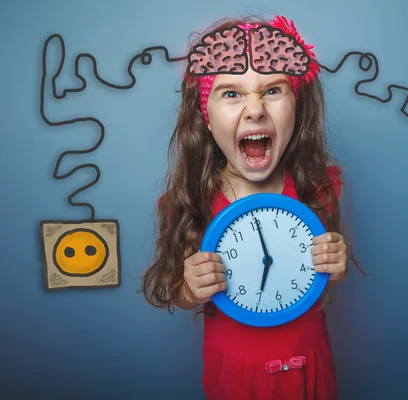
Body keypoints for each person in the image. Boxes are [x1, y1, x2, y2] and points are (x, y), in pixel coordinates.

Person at [141, 14, 364, 399]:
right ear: (205, 118)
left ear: (297, 108)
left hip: (309, 367)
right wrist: (191, 288)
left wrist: (336, 265)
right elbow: (175, 290)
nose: (255, 109)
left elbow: (324, 274)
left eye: (272, 90)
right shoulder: (191, 202)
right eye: (231, 93)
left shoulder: (319, 189)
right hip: (236, 377)